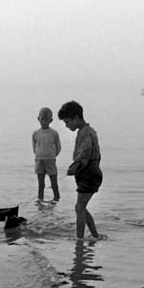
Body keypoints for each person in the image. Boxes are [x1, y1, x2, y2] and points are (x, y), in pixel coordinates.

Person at [57, 100, 102, 239]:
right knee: (81, 207)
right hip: (88, 173)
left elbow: (86, 151)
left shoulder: (86, 133)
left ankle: (79, 239)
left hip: (90, 174)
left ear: (76, 118)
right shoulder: (85, 131)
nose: (66, 125)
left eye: (67, 122)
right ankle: (95, 235)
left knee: (79, 207)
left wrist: (75, 165)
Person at [32, 107, 61, 201]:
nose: (44, 122)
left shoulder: (54, 133)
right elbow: (34, 147)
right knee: (41, 184)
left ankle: (56, 199)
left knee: (54, 184)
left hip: (50, 160)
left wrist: (53, 155)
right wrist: (38, 155)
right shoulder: (36, 133)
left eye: (46, 119)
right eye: (42, 119)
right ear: (38, 119)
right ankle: (40, 200)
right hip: (39, 160)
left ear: (51, 120)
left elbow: (58, 147)